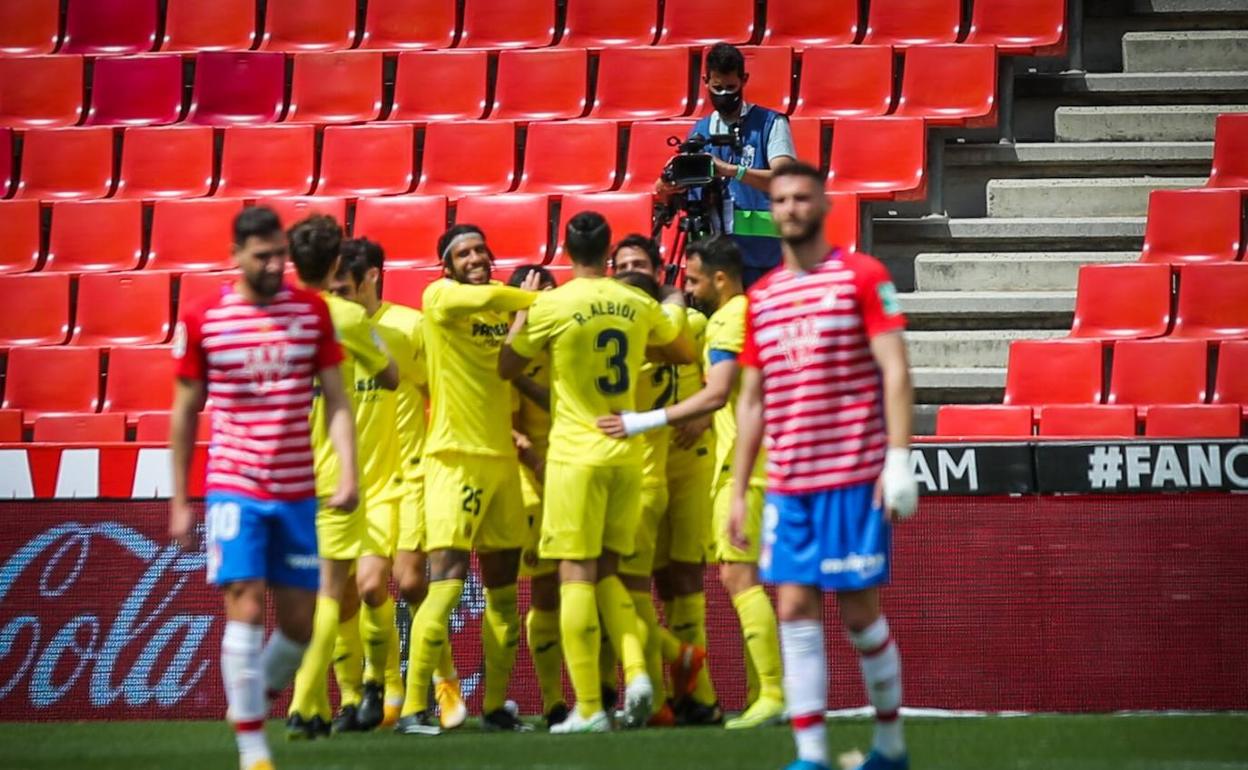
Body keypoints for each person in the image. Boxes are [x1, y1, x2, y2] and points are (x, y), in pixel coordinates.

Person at [733, 163, 919, 770]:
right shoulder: (760, 298)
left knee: (861, 616)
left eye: (800, 197)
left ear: (823, 203)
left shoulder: (862, 277)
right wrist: (739, 489)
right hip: (788, 485)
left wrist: (897, 459)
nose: (790, 207)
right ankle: (810, 756)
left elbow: (894, 367)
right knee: (792, 609)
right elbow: (753, 399)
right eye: (781, 199)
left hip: (852, 477)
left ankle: (889, 747)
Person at [168, 206, 358, 770]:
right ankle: (254, 749)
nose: (277, 264)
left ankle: (250, 700)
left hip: (298, 489)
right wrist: (180, 499)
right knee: (245, 604)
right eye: (263, 256)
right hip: (234, 484)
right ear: (236, 257)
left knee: (299, 625)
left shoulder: (312, 311)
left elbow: (337, 400)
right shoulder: (204, 319)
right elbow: (184, 412)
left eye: (281, 253)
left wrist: (348, 472)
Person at [499, 212, 695, 734]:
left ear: (565, 250)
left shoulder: (553, 304)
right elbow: (679, 351)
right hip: (626, 454)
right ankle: (637, 675)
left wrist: (523, 326)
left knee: (576, 576)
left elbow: (508, 367)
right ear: (610, 254)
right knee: (610, 572)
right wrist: (662, 315)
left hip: (574, 455)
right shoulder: (634, 301)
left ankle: (587, 706)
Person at [599, 235, 786, 731]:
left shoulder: (717, 320)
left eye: (696, 279)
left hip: (716, 467)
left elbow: (717, 391)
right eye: (624, 265)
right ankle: (720, 696)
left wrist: (649, 420)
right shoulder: (744, 314)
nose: (690, 286)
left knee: (730, 578)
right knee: (748, 583)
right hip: (753, 463)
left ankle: (764, 693)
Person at [397, 225, 540, 736]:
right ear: (447, 266)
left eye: (481, 249)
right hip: (454, 459)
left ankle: (497, 705)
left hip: (502, 461)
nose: (475, 257)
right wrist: (538, 297)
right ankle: (416, 707)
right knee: (446, 583)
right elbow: (504, 294)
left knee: (504, 595)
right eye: (463, 253)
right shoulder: (439, 297)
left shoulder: (503, 313)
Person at [329, 239, 467, 732]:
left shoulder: (409, 326)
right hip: (350, 480)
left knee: (409, 583)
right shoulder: (329, 330)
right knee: (357, 591)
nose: (336, 295)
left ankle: (441, 685)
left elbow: (438, 391)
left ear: (371, 277)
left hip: (409, 474)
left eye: (345, 286)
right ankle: (375, 693)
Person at [284, 216, 399, 740]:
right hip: (331, 470)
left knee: (303, 592)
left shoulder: (271, 313)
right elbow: (391, 376)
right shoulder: (345, 316)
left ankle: (332, 698)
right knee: (331, 591)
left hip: (278, 471)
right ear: (335, 265)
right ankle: (305, 703)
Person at [611, 236, 721, 726]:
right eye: (623, 265)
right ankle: (674, 692)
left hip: (688, 463)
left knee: (681, 579)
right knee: (643, 582)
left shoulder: (694, 324)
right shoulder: (641, 327)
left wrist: (707, 418)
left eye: (640, 265)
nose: (631, 271)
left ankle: (688, 697)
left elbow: (724, 381)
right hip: (646, 463)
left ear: (658, 271)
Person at [657, 42, 796, 288]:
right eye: (717, 87)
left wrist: (731, 170)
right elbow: (675, 190)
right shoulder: (700, 130)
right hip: (713, 258)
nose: (724, 95)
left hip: (763, 256)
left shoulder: (770, 123)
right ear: (705, 81)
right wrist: (667, 187)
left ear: (744, 80)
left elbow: (784, 180)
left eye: (731, 87)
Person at [506, 264, 570, 729]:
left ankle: (603, 692)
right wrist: (534, 463)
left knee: (595, 583)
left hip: (580, 470)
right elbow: (507, 422)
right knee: (545, 590)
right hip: (536, 480)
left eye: (550, 290)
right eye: (535, 294)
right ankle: (552, 701)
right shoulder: (512, 349)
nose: (544, 298)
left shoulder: (571, 336)